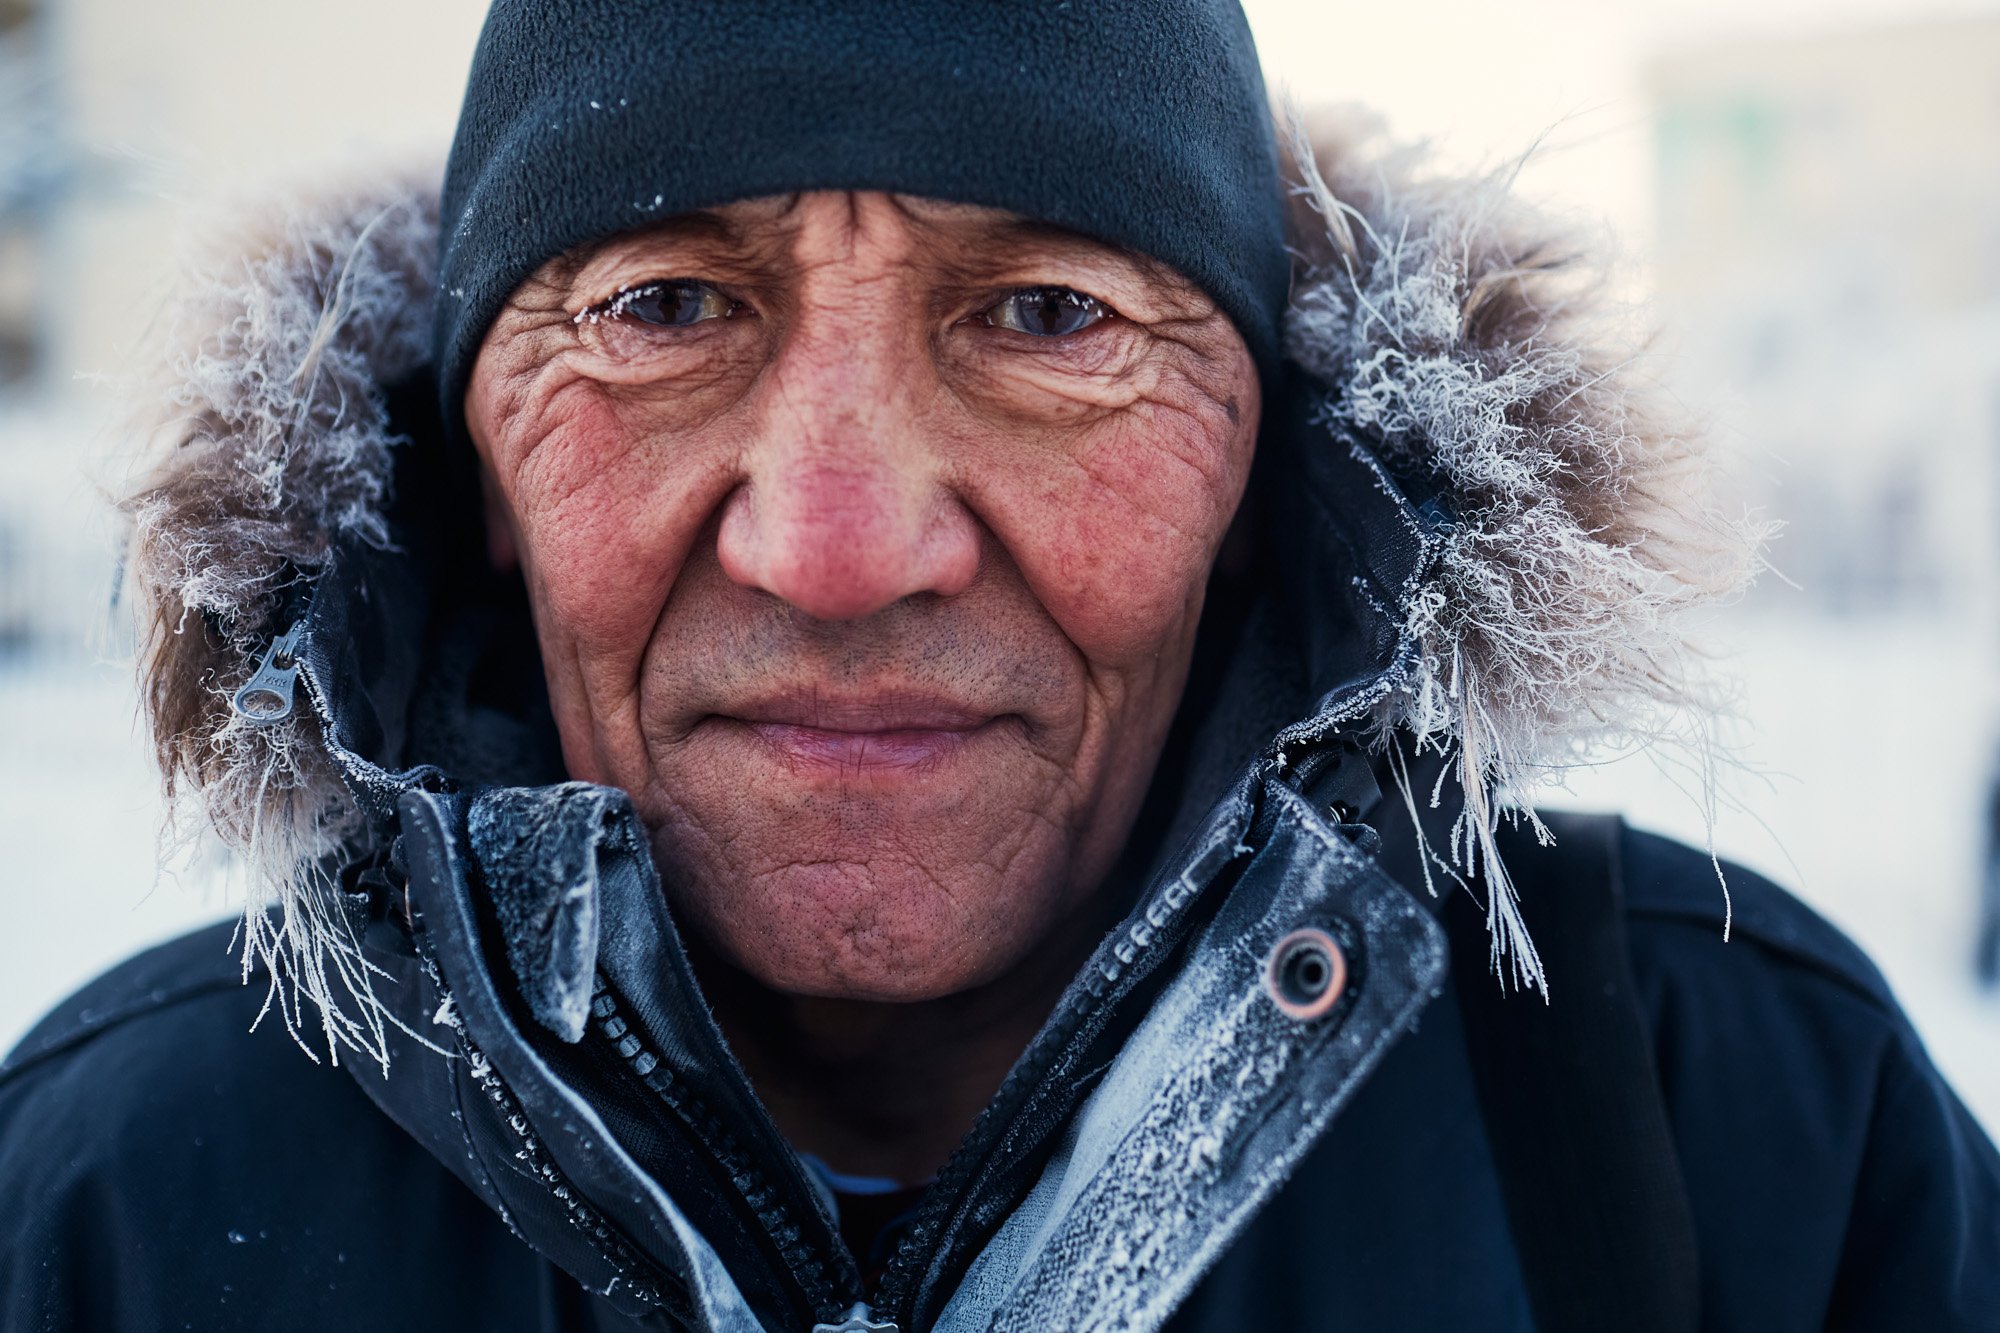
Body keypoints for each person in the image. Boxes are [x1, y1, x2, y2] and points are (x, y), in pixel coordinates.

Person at [4, 3, 1997, 1330]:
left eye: (1047, 316)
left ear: (1262, 465)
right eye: (666, 307)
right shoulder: (107, 1212)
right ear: (470, 473)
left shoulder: (1741, 1139)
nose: (838, 548)